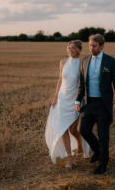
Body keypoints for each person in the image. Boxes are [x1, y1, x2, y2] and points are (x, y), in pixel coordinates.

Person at [75, 34, 115, 174]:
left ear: (102, 46)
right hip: (89, 103)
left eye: (95, 46)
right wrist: (78, 100)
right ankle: (97, 150)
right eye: (90, 45)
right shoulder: (84, 61)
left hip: (103, 105)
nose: (91, 48)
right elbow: (81, 84)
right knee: (83, 130)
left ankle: (103, 164)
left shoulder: (110, 62)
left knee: (103, 136)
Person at [45, 40, 90, 168]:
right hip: (62, 99)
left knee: (73, 129)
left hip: (75, 100)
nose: (70, 50)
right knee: (63, 129)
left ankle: (80, 144)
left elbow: (84, 83)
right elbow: (60, 80)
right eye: (69, 48)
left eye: (73, 48)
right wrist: (55, 98)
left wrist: (81, 99)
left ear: (79, 50)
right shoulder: (63, 62)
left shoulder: (82, 63)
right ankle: (70, 158)